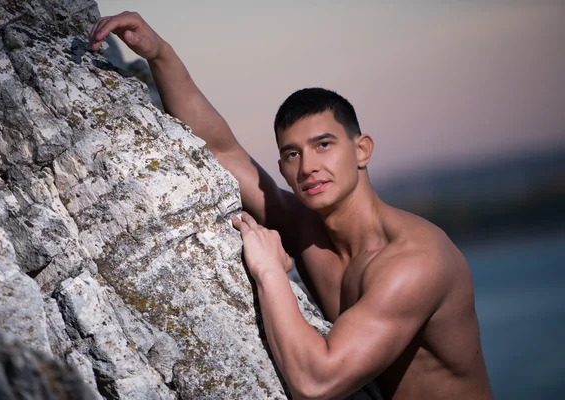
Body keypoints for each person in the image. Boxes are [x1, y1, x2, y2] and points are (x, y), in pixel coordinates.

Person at [89, 12, 493, 400]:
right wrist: (160, 53)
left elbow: (316, 384)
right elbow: (219, 148)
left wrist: (270, 272)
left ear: (362, 150)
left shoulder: (415, 262)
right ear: (282, 168)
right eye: (292, 154)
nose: (309, 165)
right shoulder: (307, 230)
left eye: (323, 145)